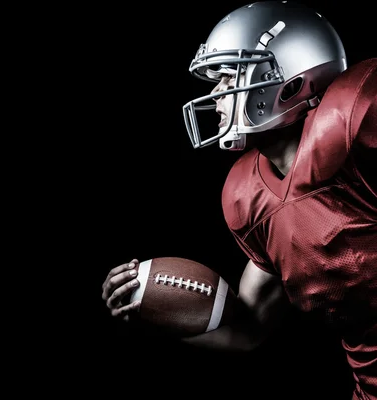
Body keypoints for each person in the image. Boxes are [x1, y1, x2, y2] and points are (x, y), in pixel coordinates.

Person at [100, 1, 376, 399]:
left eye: (230, 77)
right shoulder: (249, 198)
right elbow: (247, 329)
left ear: (292, 83)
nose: (215, 94)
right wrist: (149, 309)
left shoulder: (357, 118)